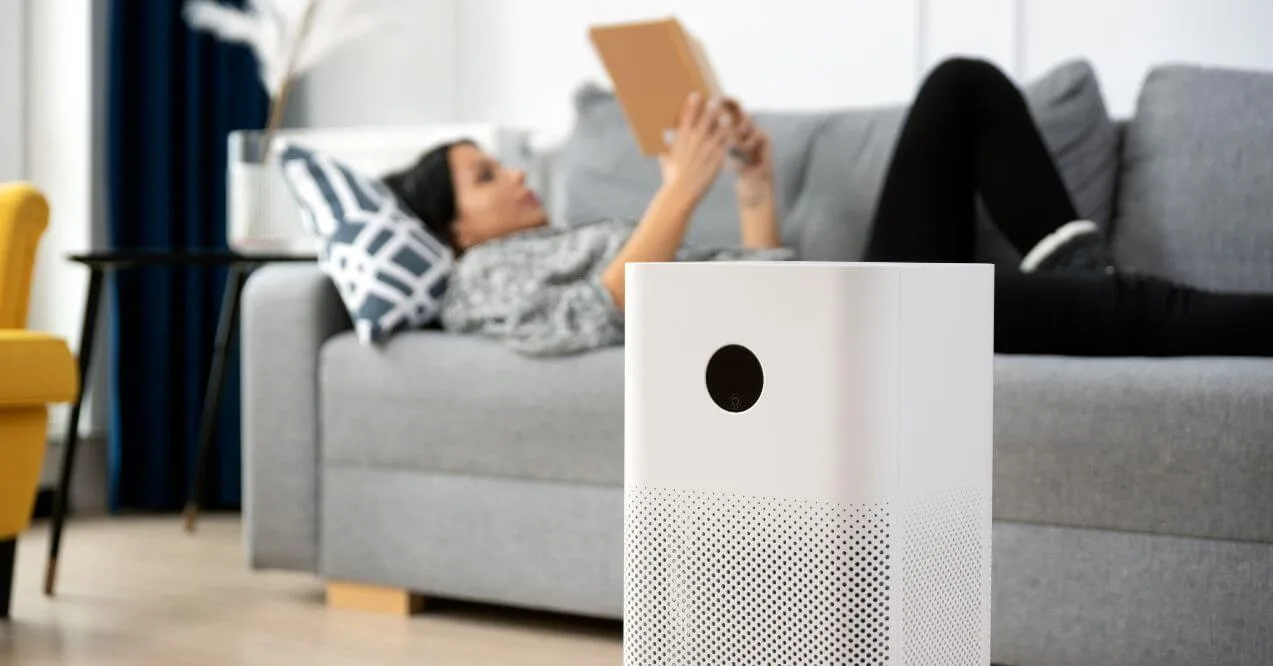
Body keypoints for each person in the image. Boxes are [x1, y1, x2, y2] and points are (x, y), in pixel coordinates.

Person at [383, 58, 1273, 357]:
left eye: (500, 164)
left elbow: (753, 275)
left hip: (827, 299)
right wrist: (678, 191)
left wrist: (751, 188)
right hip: (836, 332)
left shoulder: (568, 234)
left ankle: (1073, 263)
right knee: (1135, 310)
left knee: (959, 86)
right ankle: (1090, 283)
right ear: (452, 227)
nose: (515, 177)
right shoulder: (476, 283)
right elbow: (586, 318)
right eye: (485, 178)